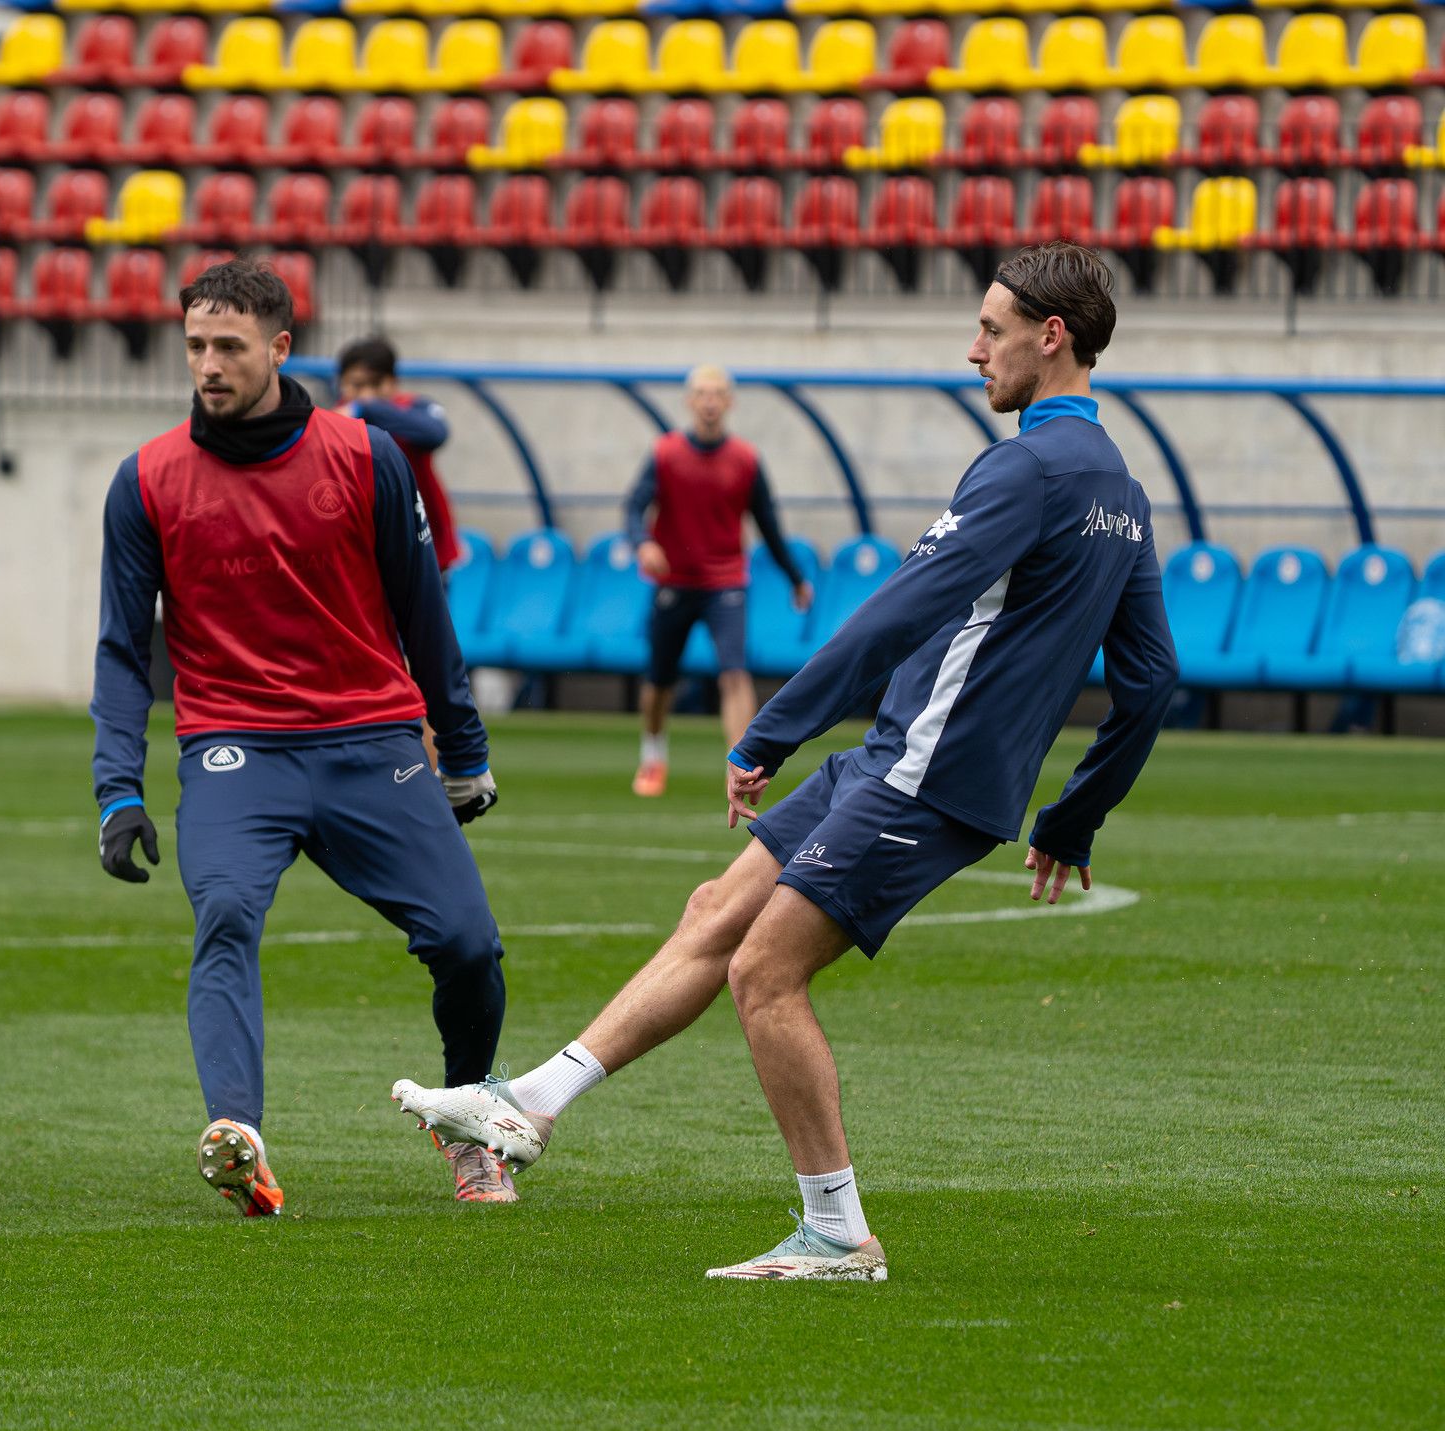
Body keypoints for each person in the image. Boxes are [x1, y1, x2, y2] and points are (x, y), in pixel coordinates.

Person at [393, 241, 1179, 1281]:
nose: (971, 348)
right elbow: (1152, 676)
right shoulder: (1117, 486)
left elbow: (904, 608)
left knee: (764, 973)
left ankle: (836, 1230)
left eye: (989, 329)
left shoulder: (1025, 467)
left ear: (1051, 335)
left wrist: (771, 727)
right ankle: (525, 1106)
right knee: (714, 912)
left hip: (923, 773)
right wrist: (1072, 816)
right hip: (903, 758)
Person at [92, 259, 512, 1216]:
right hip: (235, 750)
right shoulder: (146, 480)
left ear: (280, 348)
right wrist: (119, 789)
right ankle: (237, 1135)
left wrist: (465, 748)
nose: (207, 364)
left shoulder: (366, 456)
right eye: (195, 344)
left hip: (374, 740)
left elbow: (422, 609)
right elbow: (123, 652)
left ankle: (470, 1122)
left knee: (468, 945)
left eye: (229, 346)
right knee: (226, 915)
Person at [626, 365, 811, 799]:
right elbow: (633, 508)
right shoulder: (665, 453)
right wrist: (642, 544)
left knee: (734, 673)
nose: (710, 401)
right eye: (702, 394)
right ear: (690, 402)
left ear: (730, 402)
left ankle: (741, 765)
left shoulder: (745, 459)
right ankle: (653, 756)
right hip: (674, 580)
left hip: (726, 581)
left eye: (718, 394)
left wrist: (796, 579)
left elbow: (768, 525)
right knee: (659, 681)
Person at [334, 336, 461, 578]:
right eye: (356, 385)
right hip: (368, 552)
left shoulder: (412, 408)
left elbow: (435, 433)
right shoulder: (338, 417)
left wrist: (369, 408)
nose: (365, 393)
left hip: (425, 546)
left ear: (392, 382)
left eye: (374, 383)